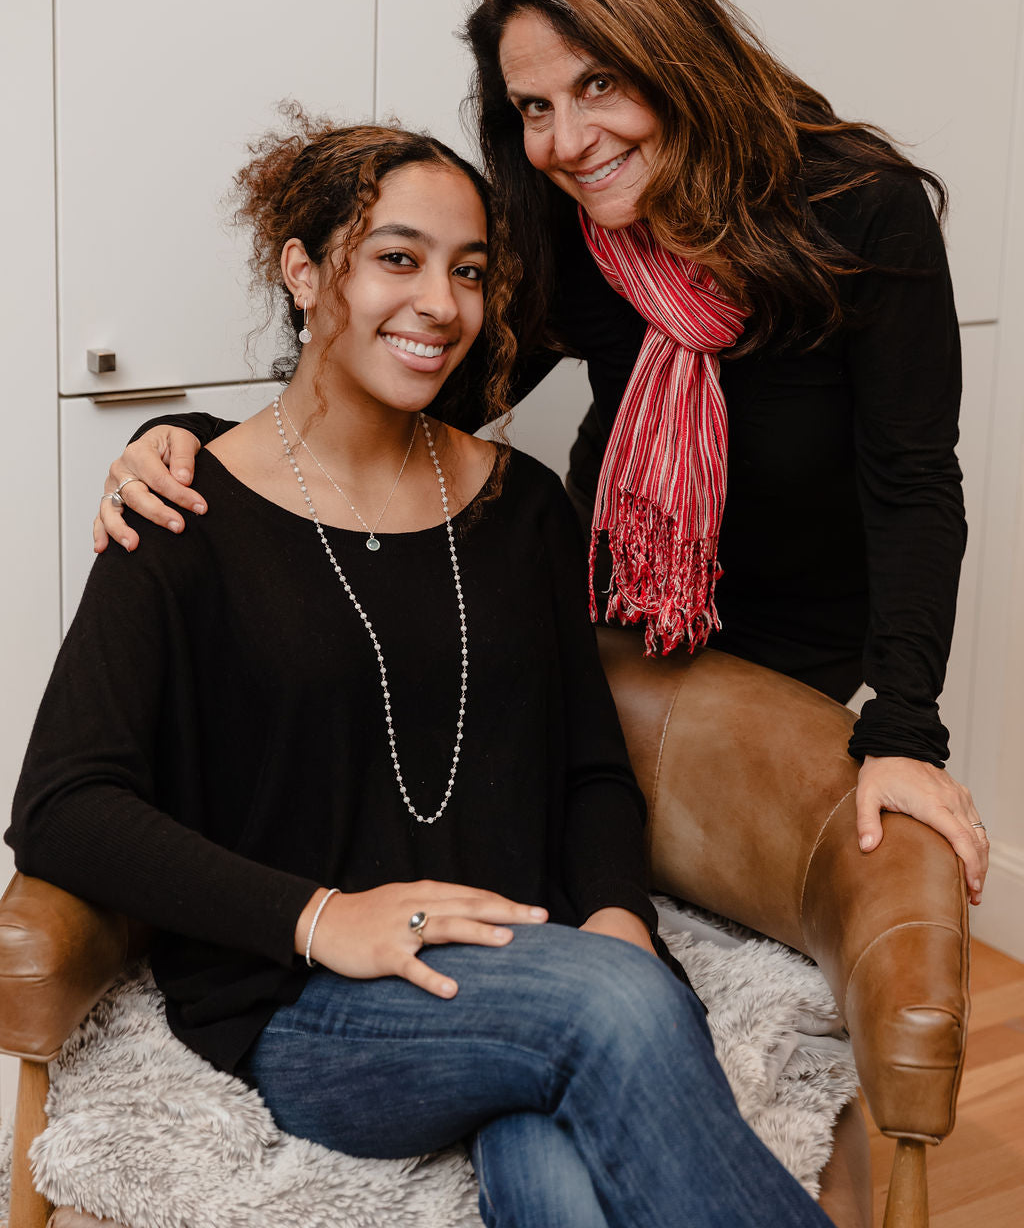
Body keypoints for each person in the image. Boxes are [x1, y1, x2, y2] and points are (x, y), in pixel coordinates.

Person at [10, 116, 834, 1228]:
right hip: (314, 1012)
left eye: (469, 271)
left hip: (529, 971)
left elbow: (589, 766)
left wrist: (618, 927)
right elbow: (64, 805)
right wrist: (319, 918)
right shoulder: (184, 509)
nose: (440, 304)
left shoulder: (521, 505)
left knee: (555, 1166)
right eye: (397, 258)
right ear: (304, 274)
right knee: (606, 1020)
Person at [93, 0, 988, 904]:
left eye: (597, 84)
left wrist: (905, 731)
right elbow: (403, 400)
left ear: (677, 61)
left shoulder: (857, 206)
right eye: (533, 106)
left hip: (796, 656)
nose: (564, 142)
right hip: (602, 625)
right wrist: (195, 447)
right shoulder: (569, 236)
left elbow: (911, 484)